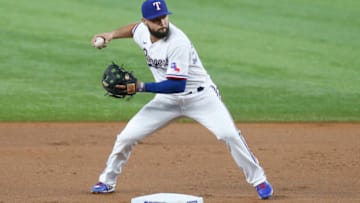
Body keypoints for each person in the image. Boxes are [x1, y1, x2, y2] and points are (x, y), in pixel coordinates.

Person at [90, 0, 273, 199]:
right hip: (166, 101)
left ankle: (259, 180)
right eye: (156, 20)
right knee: (126, 137)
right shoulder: (142, 30)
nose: (162, 23)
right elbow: (133, 29)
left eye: (164, 17)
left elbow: (177, 85)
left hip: (201, 98)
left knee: (228, 134)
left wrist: (140, 87)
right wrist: (111, 35)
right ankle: (107, 181)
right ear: (146, 22)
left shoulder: (178, 42)